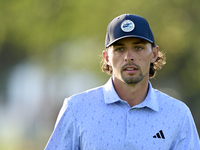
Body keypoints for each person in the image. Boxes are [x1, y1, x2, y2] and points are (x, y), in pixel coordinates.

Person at [44, 14, 200, 150]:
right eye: (119, 49)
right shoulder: (76, 108)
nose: (129, 57)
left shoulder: (177, 114)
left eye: (138, 47)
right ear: (106, 57)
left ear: (154, 54)